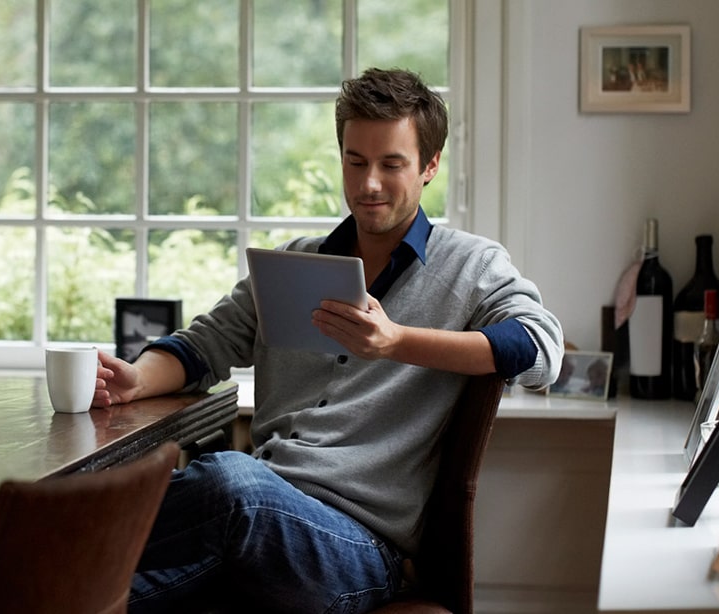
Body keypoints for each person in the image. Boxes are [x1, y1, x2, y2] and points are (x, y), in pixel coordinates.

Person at [93, 67, 563, 613]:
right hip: (257, 525)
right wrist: (137, 377)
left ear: (430, 166)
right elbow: (206, 343)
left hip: (358, 550)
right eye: (355, 161)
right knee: (76, 597)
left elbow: (539, 347)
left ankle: (42, 532)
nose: (368, 185)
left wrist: (396, 342)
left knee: (231, 482)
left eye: (392, 164)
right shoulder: (297, 262)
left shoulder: (471, 266)